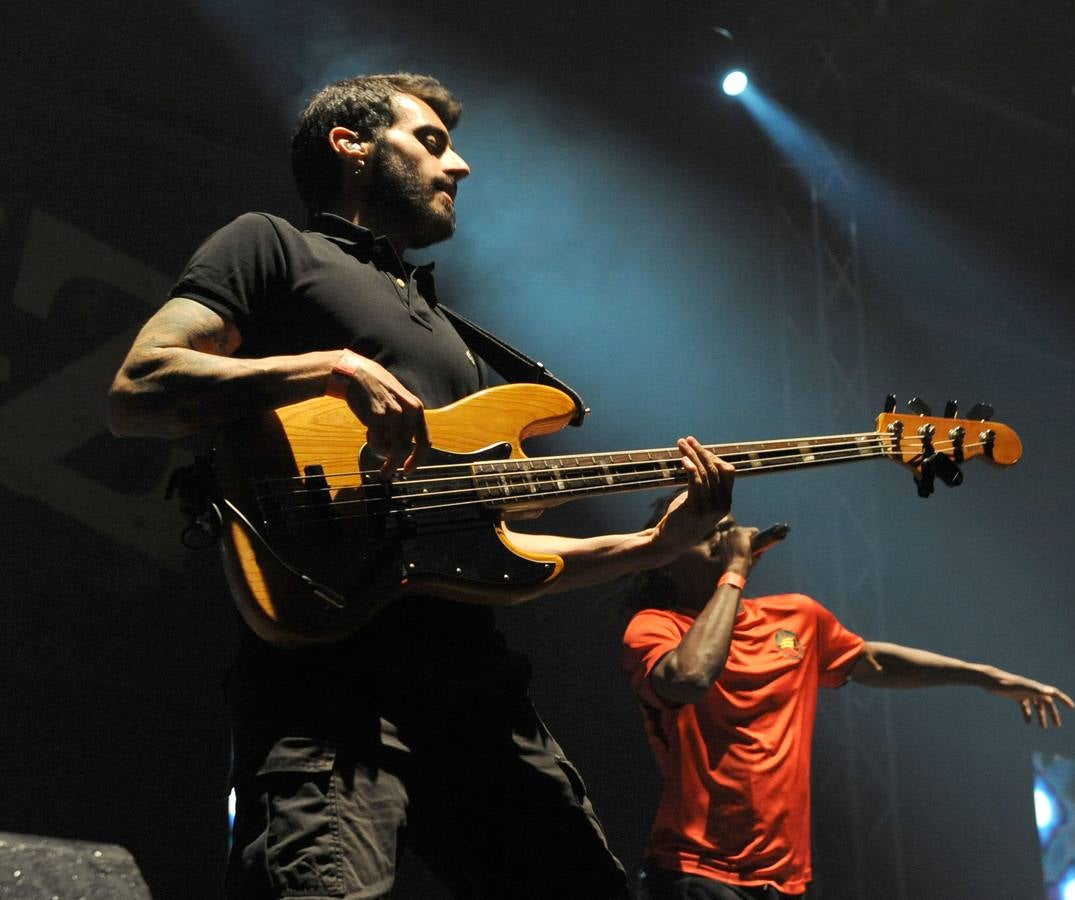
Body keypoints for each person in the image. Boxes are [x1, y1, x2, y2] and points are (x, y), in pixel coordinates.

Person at [108, 72, 739, 900]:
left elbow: (491, 552)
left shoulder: (449, 335)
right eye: (432, 143)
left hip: (474, 696)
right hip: (326, 692)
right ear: (352, 144)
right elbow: (141, 387)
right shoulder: (272, 245)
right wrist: (329, 366)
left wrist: (654, 545)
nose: (462, 167)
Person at [621, 501, 1075, 900]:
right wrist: (734, 573)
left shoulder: (796, 616)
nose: (724, 536)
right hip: (693, 871)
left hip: (783, 880)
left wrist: (987, 677)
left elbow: (874, 662)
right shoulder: (655, 628)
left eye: (728, 525)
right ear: (666, 558)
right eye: (704, 533)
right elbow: (690, 677)